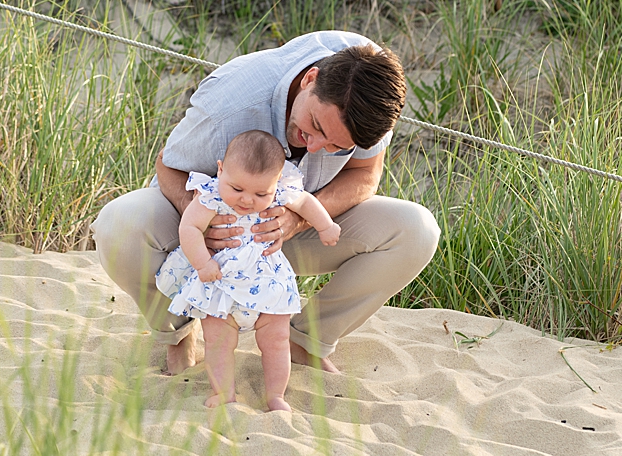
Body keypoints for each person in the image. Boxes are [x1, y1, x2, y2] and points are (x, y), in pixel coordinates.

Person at [92, 31, 441, 375]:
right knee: (118, 225)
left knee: (417, 231)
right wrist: (202, 223)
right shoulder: (230, 104)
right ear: (310, 79)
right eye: (315, 126)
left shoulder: (373, 92)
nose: (318, 146)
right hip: (210, 232)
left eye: (337, 146)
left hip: (292, 230)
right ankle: (179, 333)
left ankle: (304, 342)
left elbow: (366, 174)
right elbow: (168, 165)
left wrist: (299, 219)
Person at [155, 129, 342, 411]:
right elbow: (189, 228)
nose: (246, 200)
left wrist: (325, 226)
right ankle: (224, 392)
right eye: (237, 189)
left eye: (260, 193)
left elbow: (305, 202)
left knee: (276, 340)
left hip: (269, 284)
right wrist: (202, 263)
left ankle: (275, 395)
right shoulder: (211, 196)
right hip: (221, 283)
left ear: (276, 183)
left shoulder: (280, 193)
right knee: (218, 342)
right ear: (221, 171)